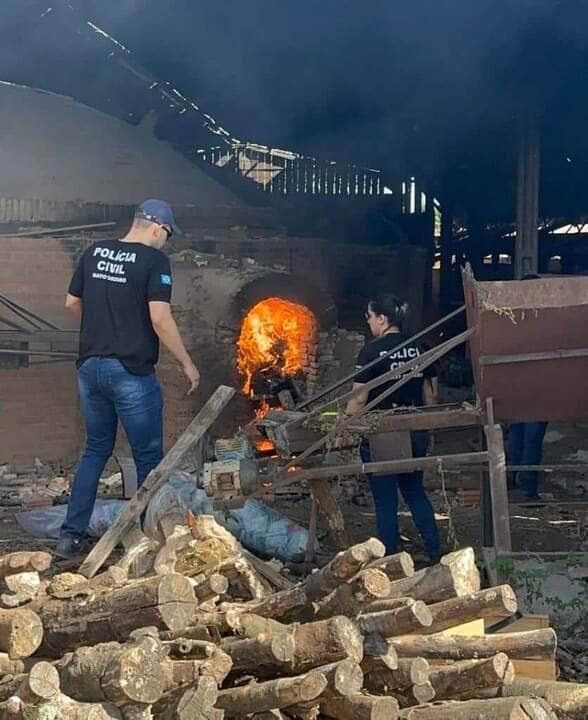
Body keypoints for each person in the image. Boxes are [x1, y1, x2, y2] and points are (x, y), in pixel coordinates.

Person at [56, 199, 200, 558]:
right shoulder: (154, 261)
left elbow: (71, 303)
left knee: (95, 451)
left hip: (90, 368)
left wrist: (100, 329)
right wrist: (186, 362)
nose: (166, 242)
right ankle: (154, 540)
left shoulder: (94, 252)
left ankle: (70, 536)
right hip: (131, 372)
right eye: (168, 235)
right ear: (157, 228)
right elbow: (160, 319)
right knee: (149, 457)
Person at [346, 293, 441, 563]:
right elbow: (431, 396)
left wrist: (345, 422)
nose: (368, 322)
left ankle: (389, 557)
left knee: (385, 499)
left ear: (382, 318)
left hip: (382, 433)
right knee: (414, 491)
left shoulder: (371, 352)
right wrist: (426, 428)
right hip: (414, 429)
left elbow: (358, 399)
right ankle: (434, 548)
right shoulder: (420, 347)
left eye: (369, 316)